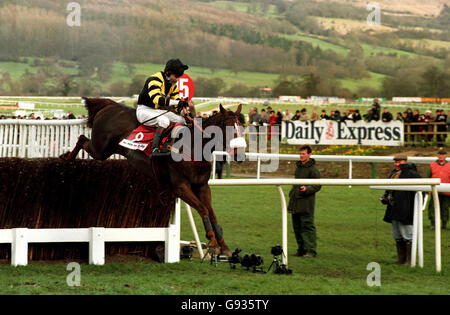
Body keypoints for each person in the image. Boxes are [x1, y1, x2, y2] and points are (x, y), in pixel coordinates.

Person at [136, 58, 190, 157]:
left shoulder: (172, 85)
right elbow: (158, 100)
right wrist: (179, 103)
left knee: (181, 120)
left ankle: (173, 146)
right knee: (164, 120)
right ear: (168, 73)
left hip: (155, 111)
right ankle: (154, 149)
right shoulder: (154, 80)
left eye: (179, 77)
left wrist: (184, 112)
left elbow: (177, 103)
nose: (177, 79)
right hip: (143, 110)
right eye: (176, 76)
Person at [381, 153, 421, 265]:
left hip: (406, 209)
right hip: (394, 208)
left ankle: (409, 260)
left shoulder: (412, 174)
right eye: (395, 162)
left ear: (405, 161)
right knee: (397, 235)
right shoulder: (393, 173)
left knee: (407, 234)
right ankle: (401, 259)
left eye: (399, 162)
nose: (396, 164)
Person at [288, 145, 321, 258]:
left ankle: (311, 251)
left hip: (306, 203)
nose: (301, 156)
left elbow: (318, 185)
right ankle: (301, 250)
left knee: (307, 226)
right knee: (297, 227)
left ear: (309, 154)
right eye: (300, 154)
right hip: (296, 201)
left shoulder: (313, 169)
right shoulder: (299, 167)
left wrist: (307, 189)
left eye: (304, 154)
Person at [427, 148, 450, 230]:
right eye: (439, 155)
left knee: (445, 208)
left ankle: (444, 223)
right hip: (434, 190)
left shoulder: (449, 165)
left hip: (446, 191)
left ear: (446, 156)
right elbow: (428, 177)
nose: (441, 156)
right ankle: (433, 223)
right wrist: (426, 189)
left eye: (443, 155)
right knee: (433, 207)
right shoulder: (432, 165)